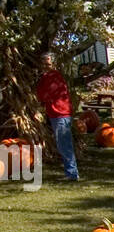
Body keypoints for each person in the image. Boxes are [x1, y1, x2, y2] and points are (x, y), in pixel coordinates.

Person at [35, 53, 80, 182]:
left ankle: (72, 173)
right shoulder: (47, 77)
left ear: (53, 64)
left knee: (64, 144)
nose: (45, 66)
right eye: (43, 63)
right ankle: (70, 172)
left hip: (61, 113)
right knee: (62, 143)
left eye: (48, 63)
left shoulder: (54, 77)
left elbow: (44, 94)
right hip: (55, 114)